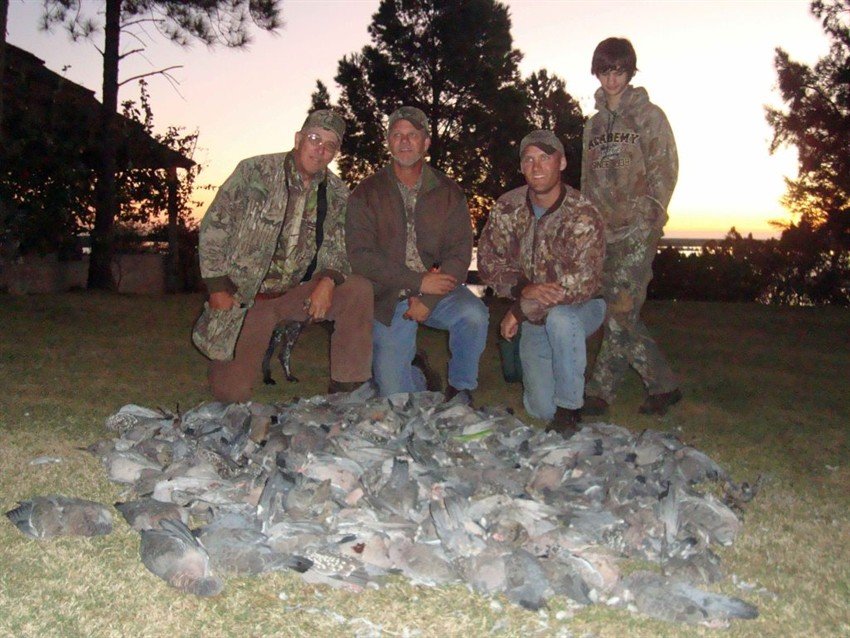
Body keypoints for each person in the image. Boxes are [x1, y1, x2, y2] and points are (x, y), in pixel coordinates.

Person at [193, 109, 373, 403]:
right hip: (248, 299)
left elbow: (339, 246)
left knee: (357, 290)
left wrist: (328, 281)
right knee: (230, 395)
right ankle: (232, 361)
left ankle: (346, 392)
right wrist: (217, 287)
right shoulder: (254, 171)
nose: (320, 149)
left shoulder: (338, 192)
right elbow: (215, 226)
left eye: (330, 145)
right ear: (298, 139)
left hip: (297, 293)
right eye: (314, 139)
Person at [346, 106, 489, 402]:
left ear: (426, 142)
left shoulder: (448, 191)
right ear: (389, 141)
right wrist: (416, 281)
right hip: (389, 297)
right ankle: (419, 372)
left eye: (412, 134)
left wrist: (429, 297)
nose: (405, 141)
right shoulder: (366, 192)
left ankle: (461, 386)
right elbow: (360, 255)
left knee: (474, 314)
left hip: (437, 292)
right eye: (397, 135)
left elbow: (459, 251)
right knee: (396, 398)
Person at [478, 130, 606, 435]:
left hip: (582, 307)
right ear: (521, 166)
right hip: (534, 314)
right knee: (539, 409)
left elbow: (581, 284)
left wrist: (519, 309)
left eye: (545, 158)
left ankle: (569, 410)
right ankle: (572, 394)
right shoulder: (507, 207)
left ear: (561, 163)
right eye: (529, 159)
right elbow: (488, 262)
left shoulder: (583, 213)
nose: (536, 167)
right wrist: (524, 289)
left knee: (561, 319)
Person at [581, 37, 682, 417]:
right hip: (603, 231)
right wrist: (587, 223)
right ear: (597, 72)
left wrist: (650, 214)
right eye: (605, 71)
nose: (612, 79)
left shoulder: (649, 116)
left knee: (621, 308)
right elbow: (587, 178)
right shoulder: (593, 126)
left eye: (619, 71)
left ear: (630, 71)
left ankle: (599, 393)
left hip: (637, 230)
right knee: (618, 311)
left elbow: (666, 166)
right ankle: (664, 385)